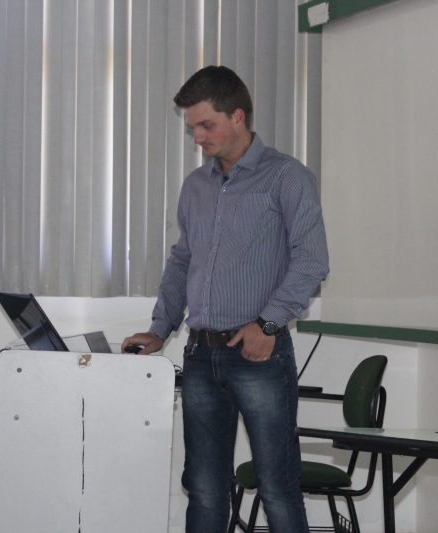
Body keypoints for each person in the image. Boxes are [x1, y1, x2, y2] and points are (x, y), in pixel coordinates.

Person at [122, 65, 329, 533]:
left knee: (277, 488)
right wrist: (160, 329)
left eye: (206, 125)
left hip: (259, 355)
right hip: (200, 356)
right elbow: (182, 262)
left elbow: (312, 261)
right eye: (193, 126)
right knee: (203, 488)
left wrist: (268, 324)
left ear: (238, 117)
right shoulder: (196, 185)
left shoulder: (287, 177)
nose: (198, 137)